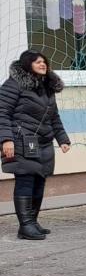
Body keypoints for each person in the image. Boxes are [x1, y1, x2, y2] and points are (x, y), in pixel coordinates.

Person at [1, 50, 71, 241]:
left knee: (39, 181)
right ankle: (25, 226)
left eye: (44, 61)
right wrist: (6, 140)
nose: (42, 64)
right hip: (21, 140)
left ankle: (32, 222)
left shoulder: (47, 87)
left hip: (44, 142)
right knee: (25, 180)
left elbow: (54, 117)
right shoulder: (13, 85)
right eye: (37, 62)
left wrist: (63, 139)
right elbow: (2, 113)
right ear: (27, 64)